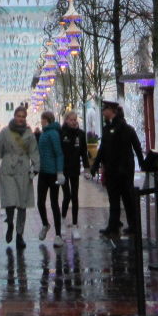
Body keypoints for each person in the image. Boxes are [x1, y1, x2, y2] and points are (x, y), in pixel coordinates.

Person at [91, 101, 144, 239]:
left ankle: (132, 225)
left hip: (123, 170)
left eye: (105, 109)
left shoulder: (124, 128)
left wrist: (142, 163)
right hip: (112, 169)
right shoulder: (108, 128)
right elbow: (103, 148)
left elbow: (137, 148)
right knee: (114, 198)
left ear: (112, 111)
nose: (103, 112)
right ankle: (113, 224)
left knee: (127, 198)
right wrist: (96, 165)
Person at [0, 104, 39, 248]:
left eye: (23, 117)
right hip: (8, 169)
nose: (20, 119)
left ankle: (19, 234)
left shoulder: (29, 134)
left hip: (23, 169)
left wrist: (36, 167)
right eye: (18, 116)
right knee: (10, 201)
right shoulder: (5, 132)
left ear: (25, 118)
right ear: (14, 116)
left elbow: (34, 152)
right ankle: (10, 222)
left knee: (22, 204)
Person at [36, 110, 66, 245]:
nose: (40, 121)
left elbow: (59, 153)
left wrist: (60, 171)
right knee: (40, 202)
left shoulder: (53, 134)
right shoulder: (43, 134)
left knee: (54, 204)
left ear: (46, 119)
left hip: (53, 173)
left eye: (42, 119)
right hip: (43, 173)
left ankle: (58, 234)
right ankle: (45, 224)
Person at [59, 109, 90, 239]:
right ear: (66, 120)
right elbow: (59, 152)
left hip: (75, 169)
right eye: (71, 120)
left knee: (75, 196)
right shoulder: (61, 133)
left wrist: (87, 169)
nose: (73, 122)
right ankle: (62, 220)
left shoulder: (81, 134)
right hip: (64, 169)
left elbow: (84, 152)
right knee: (67, 195)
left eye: (75, 119)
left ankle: (75, 225)